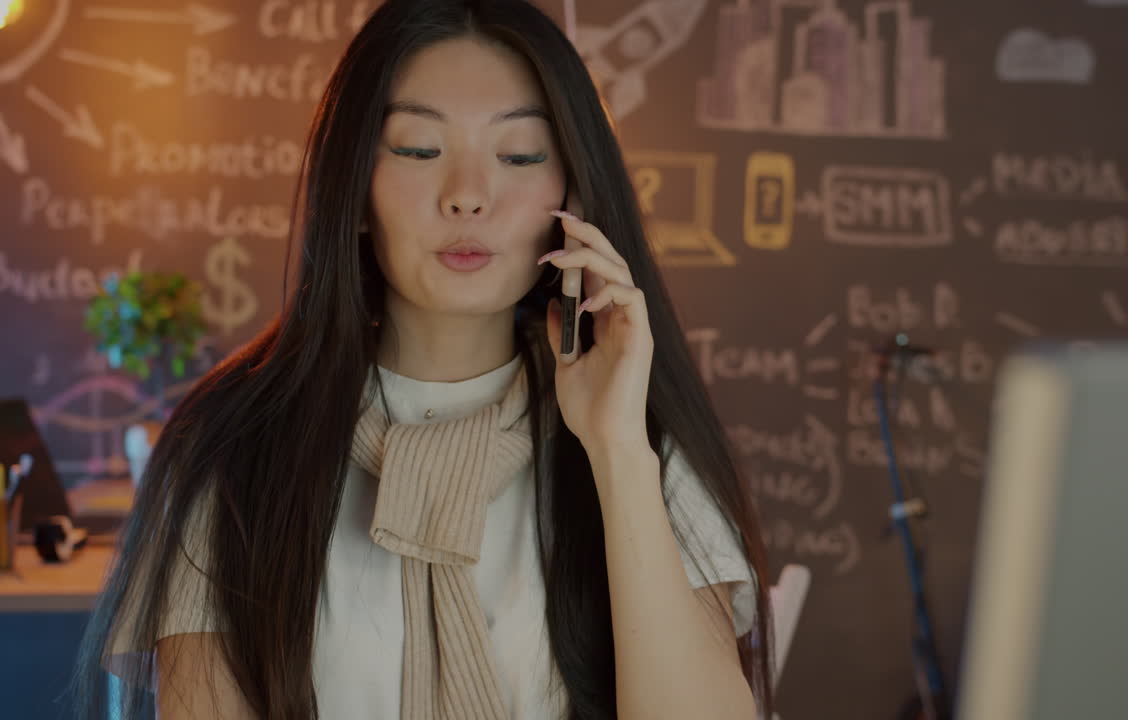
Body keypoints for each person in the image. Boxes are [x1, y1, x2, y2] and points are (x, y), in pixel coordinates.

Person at [73, 1, 774, 718]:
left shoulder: (639, 439)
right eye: (417, 149)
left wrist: (617, 447)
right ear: (354, 189)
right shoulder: (232, 453)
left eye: (521, 155)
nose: (468, 195)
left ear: (572, 192)